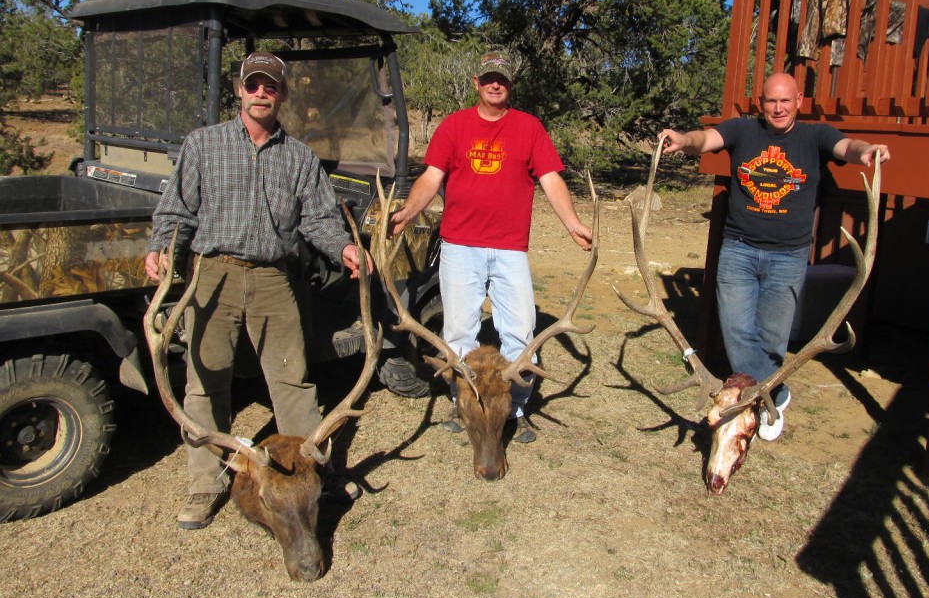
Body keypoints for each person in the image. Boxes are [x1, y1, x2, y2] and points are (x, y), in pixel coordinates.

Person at [145, 51, 367, 530]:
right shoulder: (203, 145)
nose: (261, 93)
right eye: (253, 85)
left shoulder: (299, 156)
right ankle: (206, 484)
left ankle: (309, 475)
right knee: (204, 382)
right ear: (239, 90)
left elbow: (319, 219)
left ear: (283, 94)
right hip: (212, 274)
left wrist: (345, 249)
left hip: (273, 278)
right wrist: (162, 248)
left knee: (293, 383)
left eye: (270, 86)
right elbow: (176, 210)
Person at [661, 71, 890, 441]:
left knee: (772, 338)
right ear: (760, 103)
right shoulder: (742, 130)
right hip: (738, 250)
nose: (778, 108)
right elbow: (704, 139)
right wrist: (683, 139)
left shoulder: (815, 135)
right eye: (771, 101)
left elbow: (847, 147)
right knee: (736, 329)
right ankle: (775, 394)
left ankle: (759, 397)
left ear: (799, 100)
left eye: (786, 100)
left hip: (788, 256)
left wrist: (866, 151)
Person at [388, 48, 593, 443]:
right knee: (459, 332)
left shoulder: (529, 128)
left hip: (510, 248)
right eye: (488, 78)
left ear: (510, 85)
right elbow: (431, 177)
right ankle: (463, 401)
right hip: (460, 246)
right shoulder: (454, 126)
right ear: (476, 84)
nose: (495, 84)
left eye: (502, 78)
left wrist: (573, 224)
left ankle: (515, 407)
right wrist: (409, 212)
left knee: (520, 331)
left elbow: (550, 178)